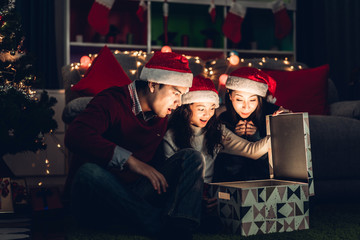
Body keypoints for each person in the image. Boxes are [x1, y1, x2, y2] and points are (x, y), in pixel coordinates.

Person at [64, 51, 204, 240]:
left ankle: (181, 226)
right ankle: (161, 226)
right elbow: (75, 135)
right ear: (153, 84)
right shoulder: (111, 100)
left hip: (134, 194)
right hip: (98, 198)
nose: (179, 102)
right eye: (176, 93)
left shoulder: (161, 115)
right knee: (89, 172)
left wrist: (193, 192)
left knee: (192, 157)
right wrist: (130, 161)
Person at [162, 75, 270, 232]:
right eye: (201, 109)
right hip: (179, 191)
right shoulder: (171, 135)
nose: (207, 114)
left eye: (212, 108)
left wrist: (283, 128)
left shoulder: (217, 131)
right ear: (186, 108)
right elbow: (168, 179)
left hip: (209, 194)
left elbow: (252, 151)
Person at [213, 67, 289, 182]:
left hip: (266, 177)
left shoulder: (271, 112)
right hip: (232, 180)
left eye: (252, 100)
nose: (246, 107)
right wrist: (235, 135)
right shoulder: (224, 118)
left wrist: (256, 136)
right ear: (230, 96)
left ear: (259, 99)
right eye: (239, 100)